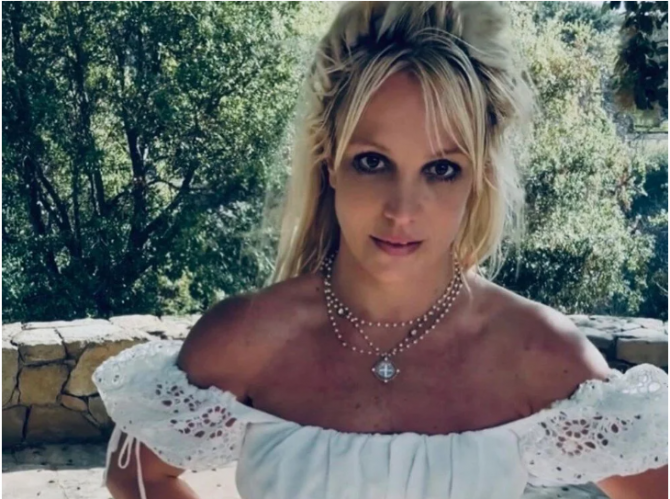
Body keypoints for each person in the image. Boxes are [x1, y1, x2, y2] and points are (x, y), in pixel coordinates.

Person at [93, 3, 668, 499]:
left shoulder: (539, 352)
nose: (402, 210)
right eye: (373, 162)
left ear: (478, 179)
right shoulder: (245, 338)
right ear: (330, 163)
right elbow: (137, 476)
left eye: (441, 169)